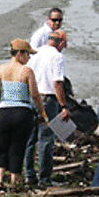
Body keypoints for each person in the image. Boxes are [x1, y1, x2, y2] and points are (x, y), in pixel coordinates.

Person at [0, 39, 47, 190]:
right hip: (22, 112)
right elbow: (34, 95)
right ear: (19, 53)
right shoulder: (26, 71)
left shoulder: (0, 69)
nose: (29, 58)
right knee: (17, 146)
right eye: (28, 54)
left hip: (3, 112)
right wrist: (42, 112)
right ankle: (14, 182)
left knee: (2, 146)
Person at [23, 30, 70, 187]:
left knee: (30, 138)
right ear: (61, 43)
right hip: (47, 100)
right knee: (46, 139)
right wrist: (64, 105)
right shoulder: (58, 57)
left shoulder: (35, 53)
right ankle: (44, 178)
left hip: (31, 96)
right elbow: (57, 83)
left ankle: (29, 175)